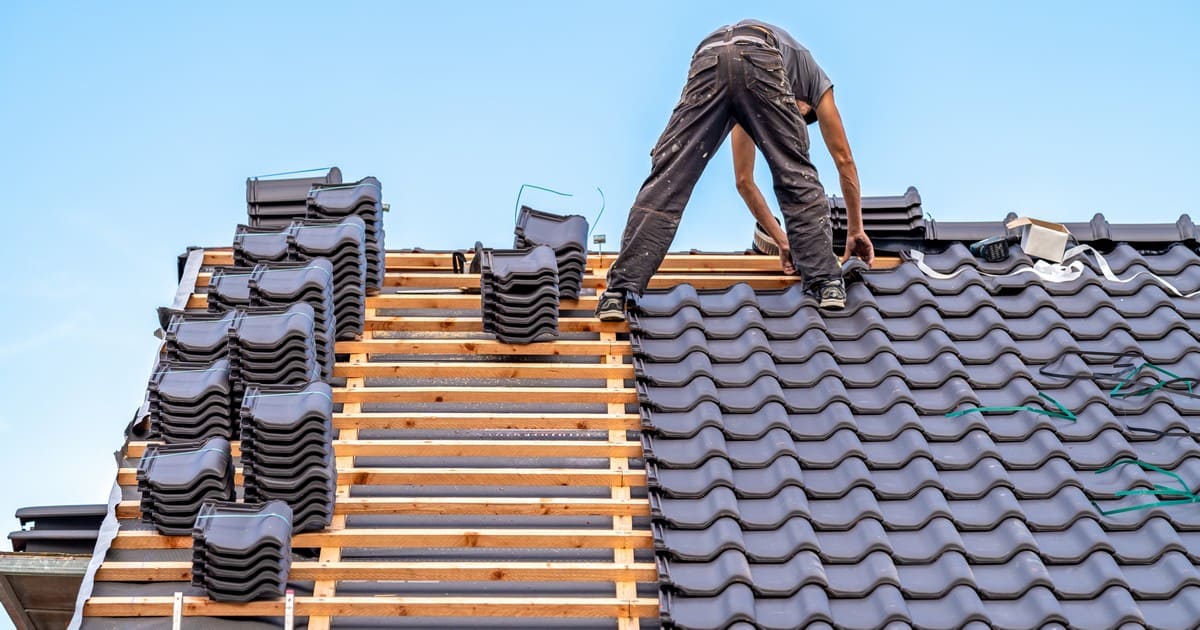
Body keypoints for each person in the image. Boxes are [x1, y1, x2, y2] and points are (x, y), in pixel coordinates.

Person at [595, 19, 874, 321]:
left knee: (669, 177)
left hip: (709, 58)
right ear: (805, 101)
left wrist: (782, 240)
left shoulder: (753, 101)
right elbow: (844, 159)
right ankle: (827, 281)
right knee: (795, 171)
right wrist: (856, 229)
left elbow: (744, 181)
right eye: (796, 111)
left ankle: (617, 293)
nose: (792, 111)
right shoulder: (815, 80)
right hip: (757, 54)